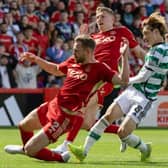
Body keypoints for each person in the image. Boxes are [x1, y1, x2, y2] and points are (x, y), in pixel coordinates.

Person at [4, 34, 129, 162]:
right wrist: (36, 59)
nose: (73, 53)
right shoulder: (73, 61)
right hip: (53, 105)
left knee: (31, 149)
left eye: (76, 50)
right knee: (23, 126)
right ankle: (29, 149)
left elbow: (123, 81)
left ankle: (60, 157)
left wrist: (124, 56)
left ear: (88, 51)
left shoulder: (100, 69)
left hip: (64, 117)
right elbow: (56, 69)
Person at [68, 12, 168, 162]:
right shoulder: (154, 50)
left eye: (146, 33)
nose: (144, 37)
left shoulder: (160, 51)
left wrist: (122, 81)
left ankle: (145, 148)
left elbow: (143, 77)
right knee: (106, 118)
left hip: (145, 97)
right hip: (133, 91)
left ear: (156, 32)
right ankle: (84, 151)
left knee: (123, 133)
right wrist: (123, 57)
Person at [53, 6, 145, 154]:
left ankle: (64, 147)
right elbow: (81, 57)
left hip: (106, 78)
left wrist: (155, 65)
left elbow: (139, 52)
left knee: (79, 109)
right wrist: (81, 37)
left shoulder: (122, 31)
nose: (99, 19)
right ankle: (124, 134)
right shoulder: (93, 38)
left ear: (112, 19)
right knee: (88, 123)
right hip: (89, 78)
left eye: (103, 16)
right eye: (97, 17)